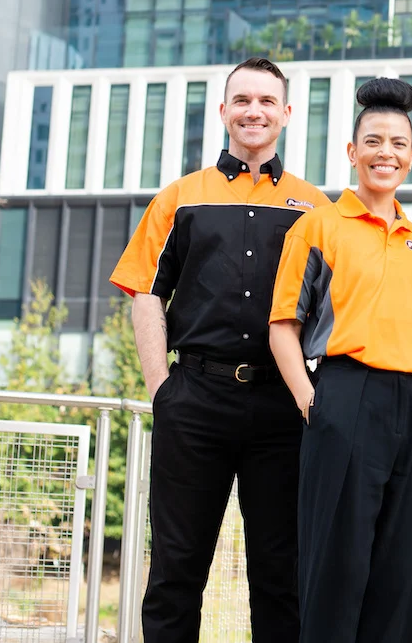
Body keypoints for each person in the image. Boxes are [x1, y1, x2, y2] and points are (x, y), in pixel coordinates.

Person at [111, 57, 330, 643]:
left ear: (286, 113)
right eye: (242, 100)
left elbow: (337, 308)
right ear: (224, 111)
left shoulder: (316, 208)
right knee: (177, 570)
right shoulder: (180, 198)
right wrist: (163, 389)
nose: (253, 111)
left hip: (284, 409)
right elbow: (145, 293)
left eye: (266, 101)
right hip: (195, 400)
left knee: (281, 574)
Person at [267, 78, 412, 643]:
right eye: (374, 141)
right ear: (352, 153)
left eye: (399, 144)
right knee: (338, 565)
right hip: (347, 399)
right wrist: (313, 404)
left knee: (407, 574)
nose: (386, 153)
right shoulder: (319, 226)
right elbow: (283, 327)